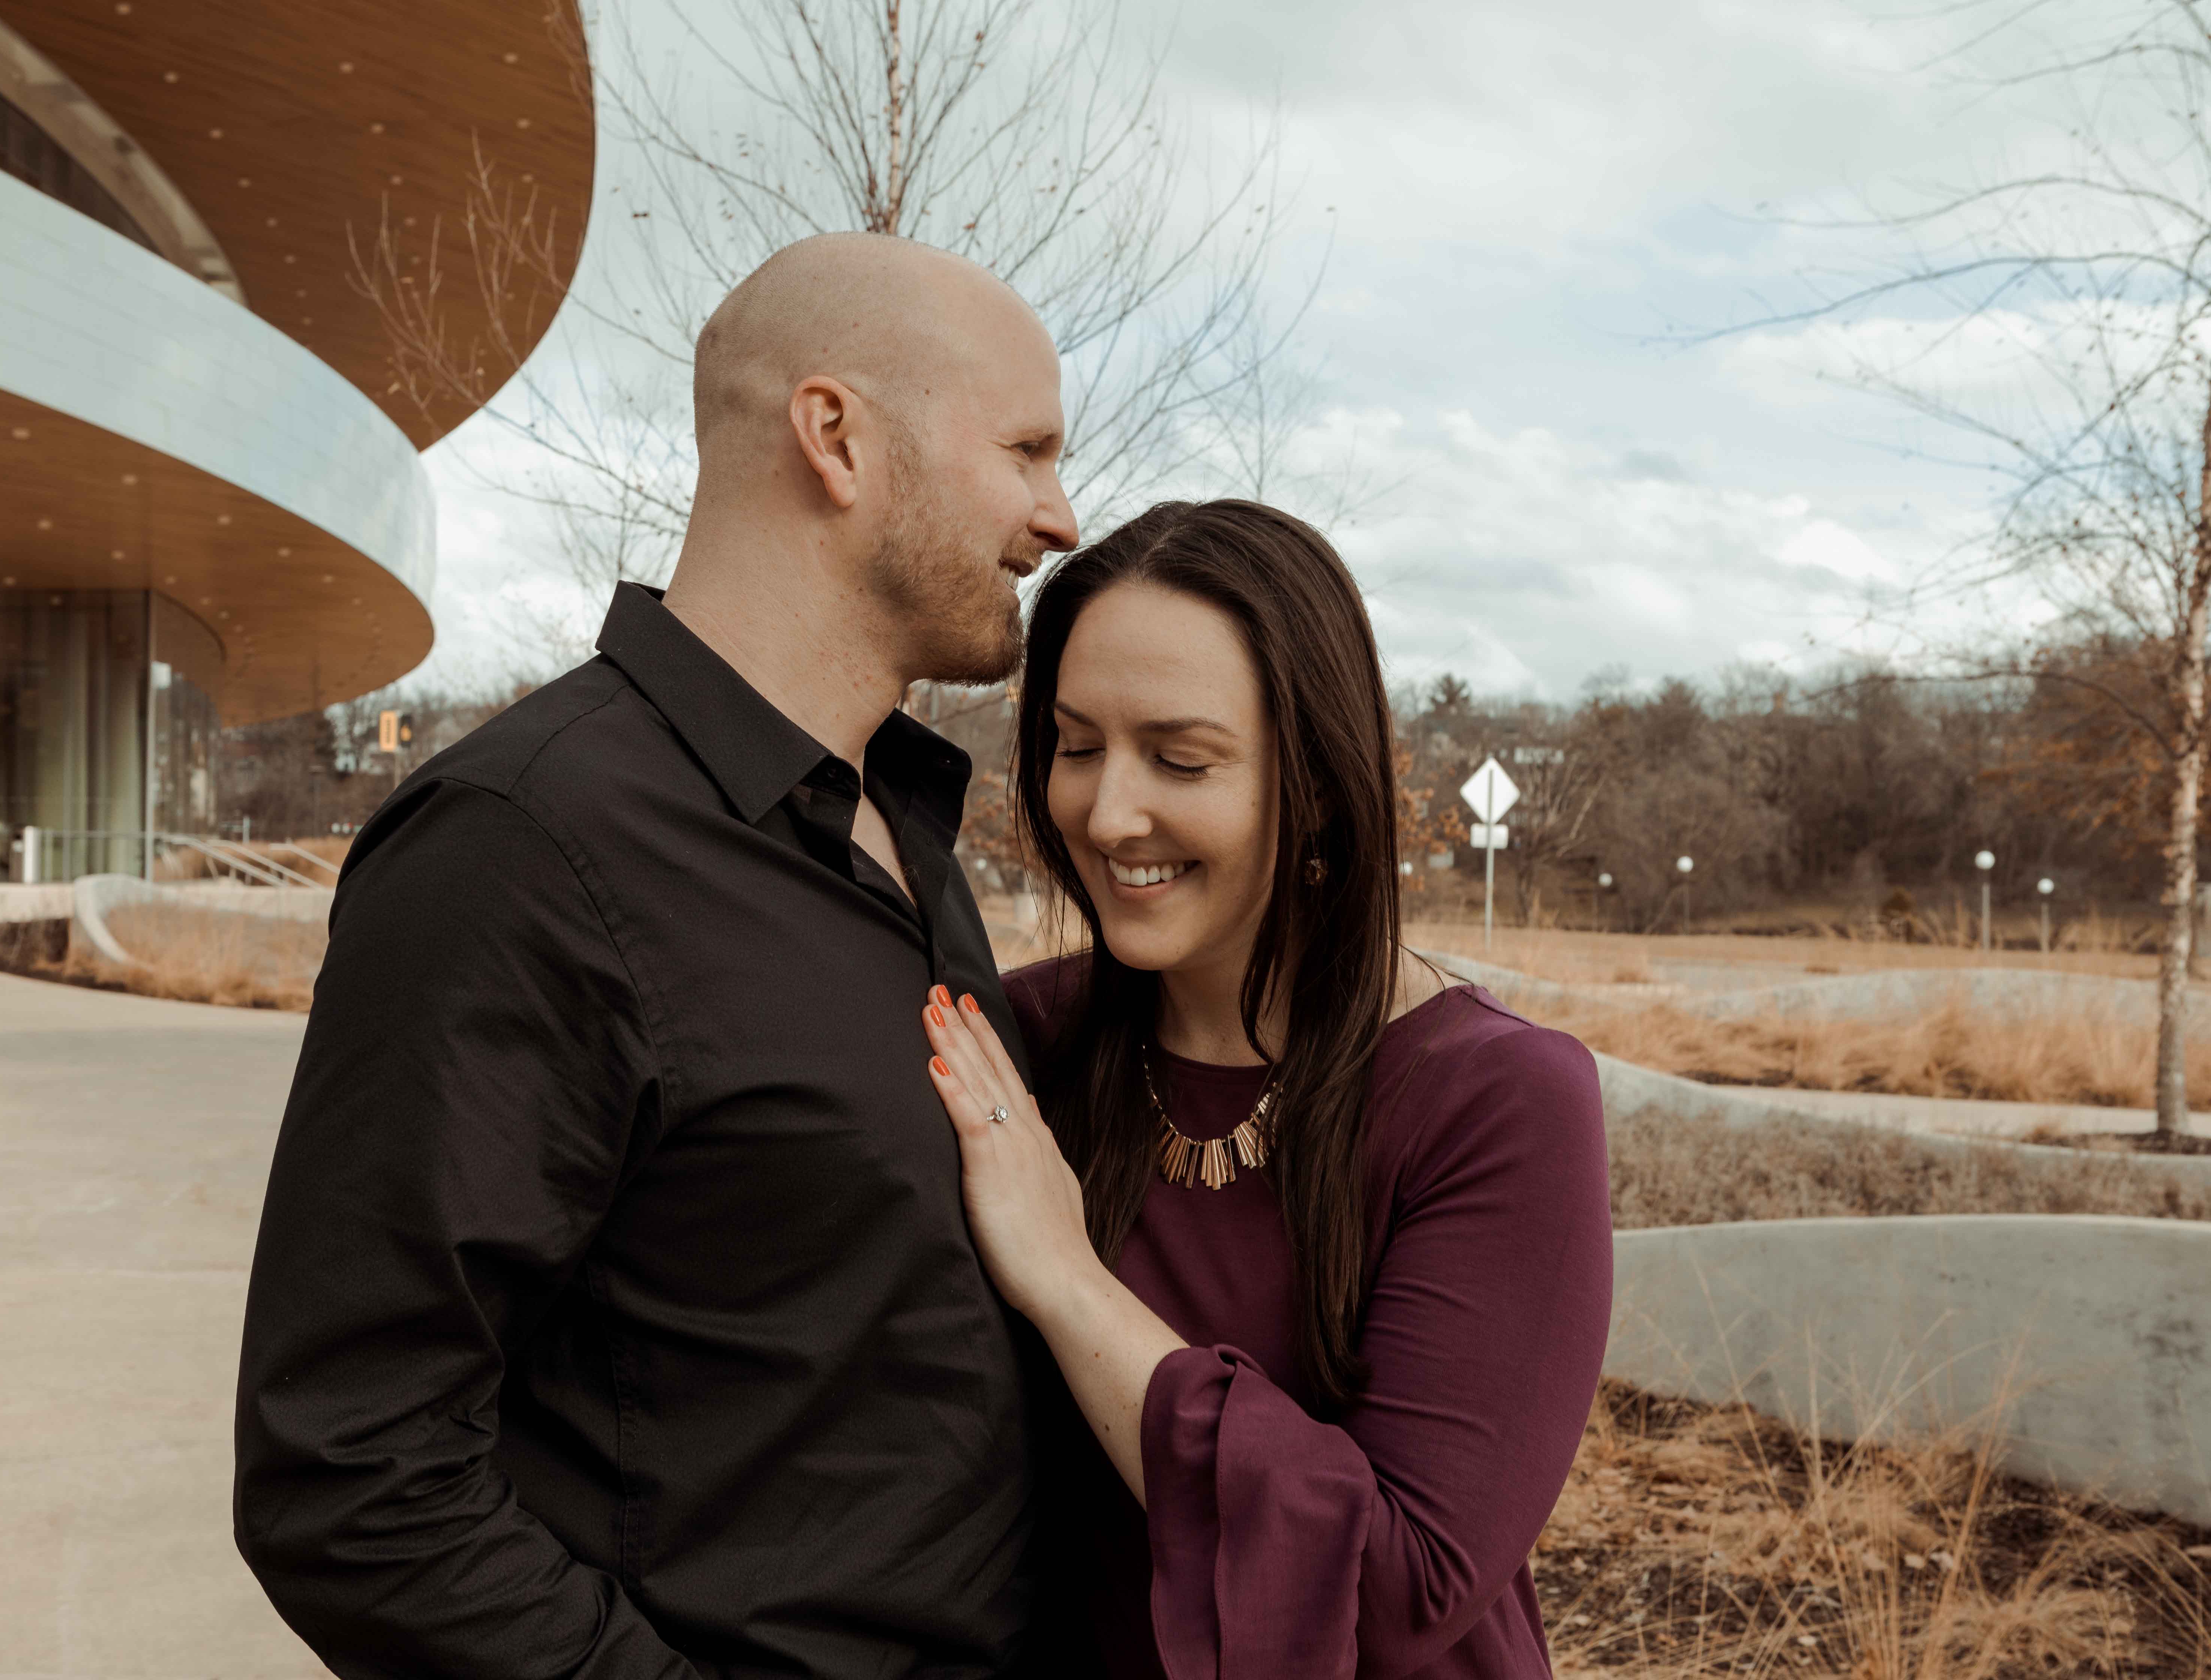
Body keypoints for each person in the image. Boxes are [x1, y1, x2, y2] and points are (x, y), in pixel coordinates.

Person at [233, 232, 1078, 1677]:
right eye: (1027, 450)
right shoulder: (519, 848)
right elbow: (353, 1477)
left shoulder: (902, 819)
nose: (1059, 517)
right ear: (836, 437)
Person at [919, 499, 1614, 1679]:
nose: (1106, 811)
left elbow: (1394, 1592)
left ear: (1324, 782)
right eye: (1076, 746)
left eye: (1180, 760)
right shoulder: (1013, 1045)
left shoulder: (1495, 1099)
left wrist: (1067, 1284)